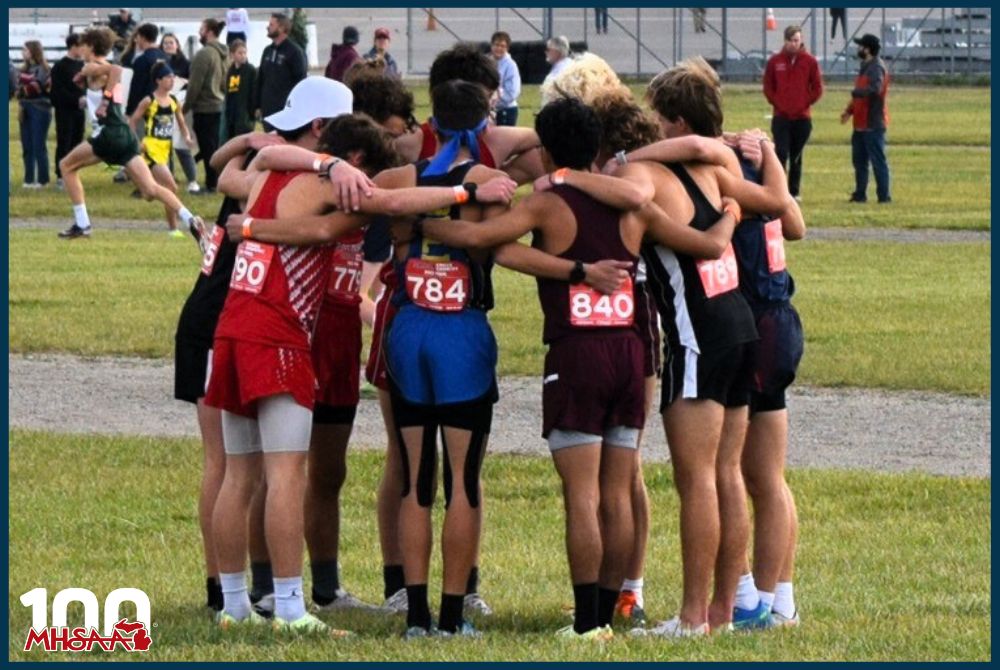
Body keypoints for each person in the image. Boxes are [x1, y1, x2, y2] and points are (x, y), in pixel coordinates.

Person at [419, 97, 741, 641]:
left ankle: (587, 621)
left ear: (545, 152)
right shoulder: (633, 205)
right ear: (598, 148)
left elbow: (485, 243)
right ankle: (611, 611)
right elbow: (708, 245)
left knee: (583, 497)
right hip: (631, 353)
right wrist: (732, 210)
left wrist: (418, 220)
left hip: (577, 356)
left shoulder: (549, 203)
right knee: (617, 492)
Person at [607, 57, 801, 637]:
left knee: (697, 480)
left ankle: (692, 619)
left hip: (697, 334)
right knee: (727, 476)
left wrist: (583, 173)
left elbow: (623, 216)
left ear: (669, 127)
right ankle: (726, 610)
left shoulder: (643, 178)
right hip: (742, 327)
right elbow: (777, 203)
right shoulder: (715, 172)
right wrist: (766, 156)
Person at [723, 128, 806, 631]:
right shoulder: (757, 165)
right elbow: (794, 221)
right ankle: (781, 601)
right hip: (780, 319)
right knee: (768, 477)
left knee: (732, 471)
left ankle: (751, 596)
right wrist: (769, 153)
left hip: (751, 322)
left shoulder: (725, 173)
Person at [57, 27, 205, 241]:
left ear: (90, 46)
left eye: (83, 46)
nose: (81, 50)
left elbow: (116, 69)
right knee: (151, 190)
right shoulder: (99, 70)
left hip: (108, 134)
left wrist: (101, 95)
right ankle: (191, 219)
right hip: (125, 134)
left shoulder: (92, 67)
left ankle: (82, 224)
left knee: (66, 166)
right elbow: (114, 71)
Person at [130, 62, 194, 237]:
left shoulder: (173, 101)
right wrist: (135, 142)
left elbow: (181, 122)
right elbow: (133, 120)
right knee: (171, 187)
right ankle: (173, 229)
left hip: (166, 149)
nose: (172, 80)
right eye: (168, 77)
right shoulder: (149, 100)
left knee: (154, 193)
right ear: (158, 80)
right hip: (151, 148)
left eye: (173, 77)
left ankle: (146, 192)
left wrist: (187, 137)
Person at [763, 25, 823, 200]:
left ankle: (794, 191)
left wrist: (804, 102)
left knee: (796, 155)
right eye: (790, 40)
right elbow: (768, 86)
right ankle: (779, 189)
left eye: (796, 40)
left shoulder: (810, 62)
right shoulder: (775, 61)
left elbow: (817, 88)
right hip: (781, 116)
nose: (793, 44)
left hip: (802, 117)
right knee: (781, 152)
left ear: (801, 40)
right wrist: (777, 102)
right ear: (785, 41)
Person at [841, 33, 891, 204]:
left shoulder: (877, 68)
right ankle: (860, 194)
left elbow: (875, 89)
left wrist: (858, 93)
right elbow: (859, 95)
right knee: (859, 162)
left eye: (861, 46)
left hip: (873, 124)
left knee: (878, 162)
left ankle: (884, 197)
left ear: (868, 49)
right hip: (860, 123)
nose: (859, 49)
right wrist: (849, 111)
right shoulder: (865, 66)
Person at [184, 18, 228, 194]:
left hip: (205, 107)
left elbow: (195, 84)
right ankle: (216, 180)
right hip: (218, 105)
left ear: (209, 31)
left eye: (201, 29)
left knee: (208, 148)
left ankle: (212, 184)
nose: (199, 32)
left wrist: (185, 108)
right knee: (213, 146)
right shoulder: (223, 53)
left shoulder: (204, 54)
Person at [253, 13, 308, 130]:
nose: (268, 27)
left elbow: (301, 81)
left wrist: (295, 107)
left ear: (282, 28)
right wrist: (257, 105)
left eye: (272, 25)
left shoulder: (294, 52)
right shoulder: (267, 51)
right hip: (267, 111)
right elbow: (260, 79)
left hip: (284, 110)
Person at [50, 34, 86, 191]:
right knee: (64, 141)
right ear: (73, 46)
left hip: (79, 110)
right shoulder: (60, 66)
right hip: (65, 110)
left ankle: (74, 172)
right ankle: (61, 175)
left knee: (77, 141)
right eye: (81, 46)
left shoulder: (82, 65)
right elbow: (58, 91)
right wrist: (75, 100)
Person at [17, 41, 52, 189]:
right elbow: (19, 88)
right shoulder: (24, 68)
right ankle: (29, 178)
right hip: (25, 107)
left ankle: (43, 180)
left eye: (25, 49)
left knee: (39, 145)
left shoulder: (44, 68)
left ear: (33, 51)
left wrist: (22, 90)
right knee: (27, 145)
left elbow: (36, 87)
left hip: (40, 108)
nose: (22, 52)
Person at [124, 23, 165, 119]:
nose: (136, 40)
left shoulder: (142, 60)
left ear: (143, 37)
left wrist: (129, 111)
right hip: (162, 106)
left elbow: (136, 88)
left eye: (137, 36)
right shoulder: (164, 57)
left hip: (144, 109)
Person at [224, 40, 256, 140]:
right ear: (232, 55)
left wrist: (252, 113)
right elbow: (229, 92)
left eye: (244, 53)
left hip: (245, 114)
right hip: (232, 113)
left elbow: (253, 92)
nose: (243, 55)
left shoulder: (250, 70)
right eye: (240, 53)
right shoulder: (231, 70)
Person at [490, 32, 521, 127]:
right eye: (496, 45)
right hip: (488, 111)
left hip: (506, 111)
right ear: (491, 46)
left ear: (507, 48)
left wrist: (493, 102)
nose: (499, 48)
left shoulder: (511, 65)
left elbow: (512, 92)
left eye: (502, 46)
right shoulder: (487, 62)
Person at [540, 36, 571, 106]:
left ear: (557, 51)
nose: (546, 52)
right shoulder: (571, 65)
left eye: (548, 49)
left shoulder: (561, 72)